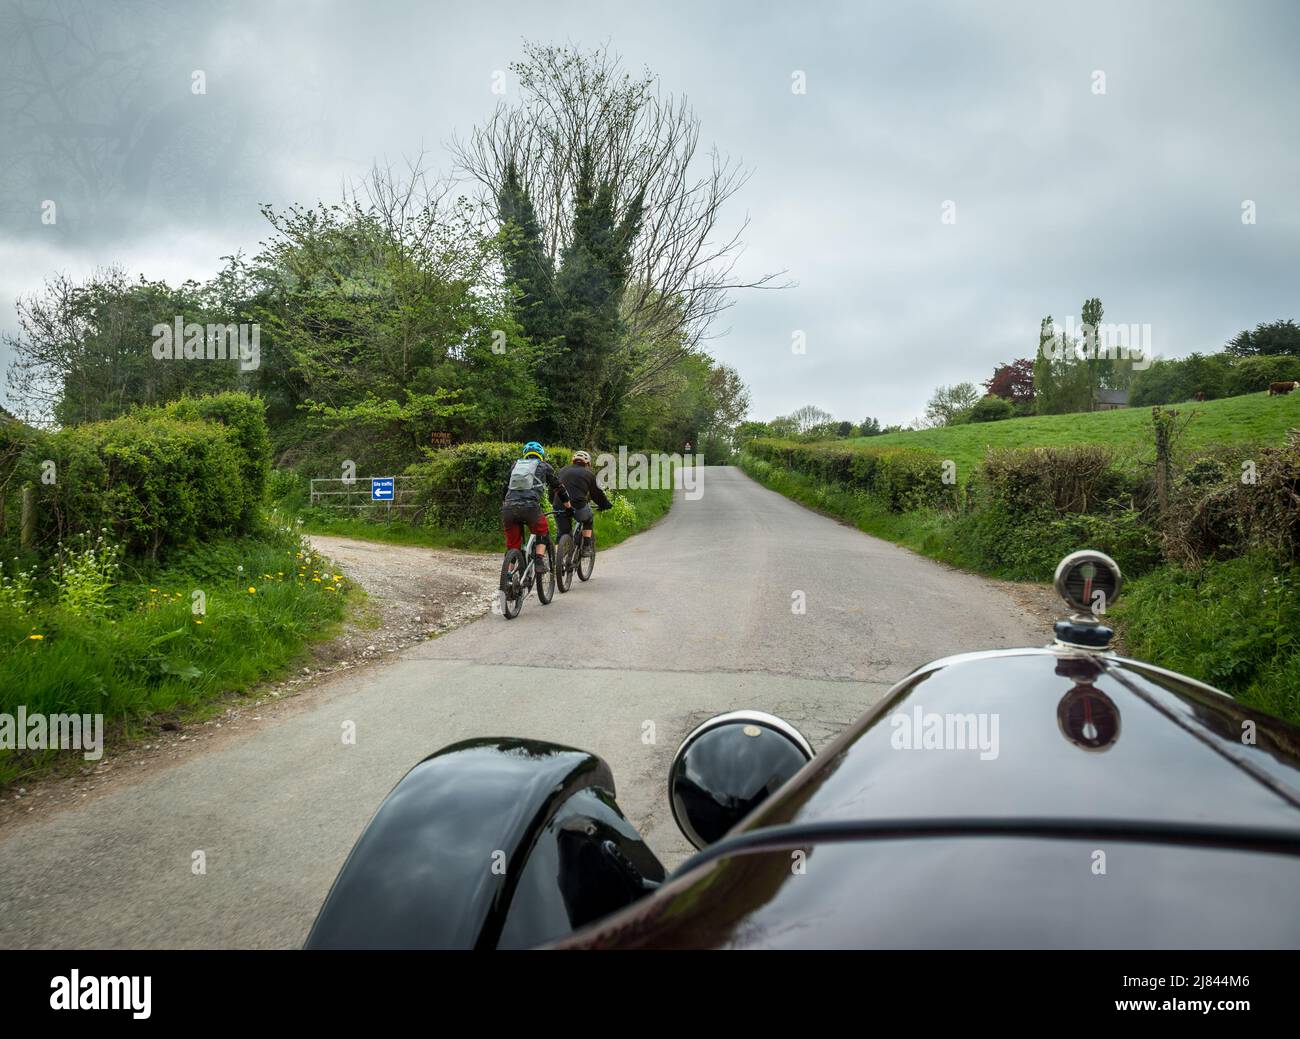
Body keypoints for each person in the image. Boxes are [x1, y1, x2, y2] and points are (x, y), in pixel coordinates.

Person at [501, 441, 570, 576]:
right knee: (542, 532)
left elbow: (505, 487)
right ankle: (539, 561)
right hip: (530, 508)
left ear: (525, 455)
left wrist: (505, 503)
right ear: (541, 455)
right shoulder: (544, 466)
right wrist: (568, 505)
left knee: (512, 545)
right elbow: (558, 487)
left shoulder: (515, 465)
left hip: (508, 508)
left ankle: (508, 578)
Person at [556, 450, 612, 557]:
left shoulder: (562, 470)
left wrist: (554, 502)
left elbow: (553, 488)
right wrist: (605, 504)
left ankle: (557, 561)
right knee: (588, 518)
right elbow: (596, 494)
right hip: (578, 505)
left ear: (573, 461)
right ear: (587, 463)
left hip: (559, 503)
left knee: (562, 532)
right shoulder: (589, 474)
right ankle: (586, 546)